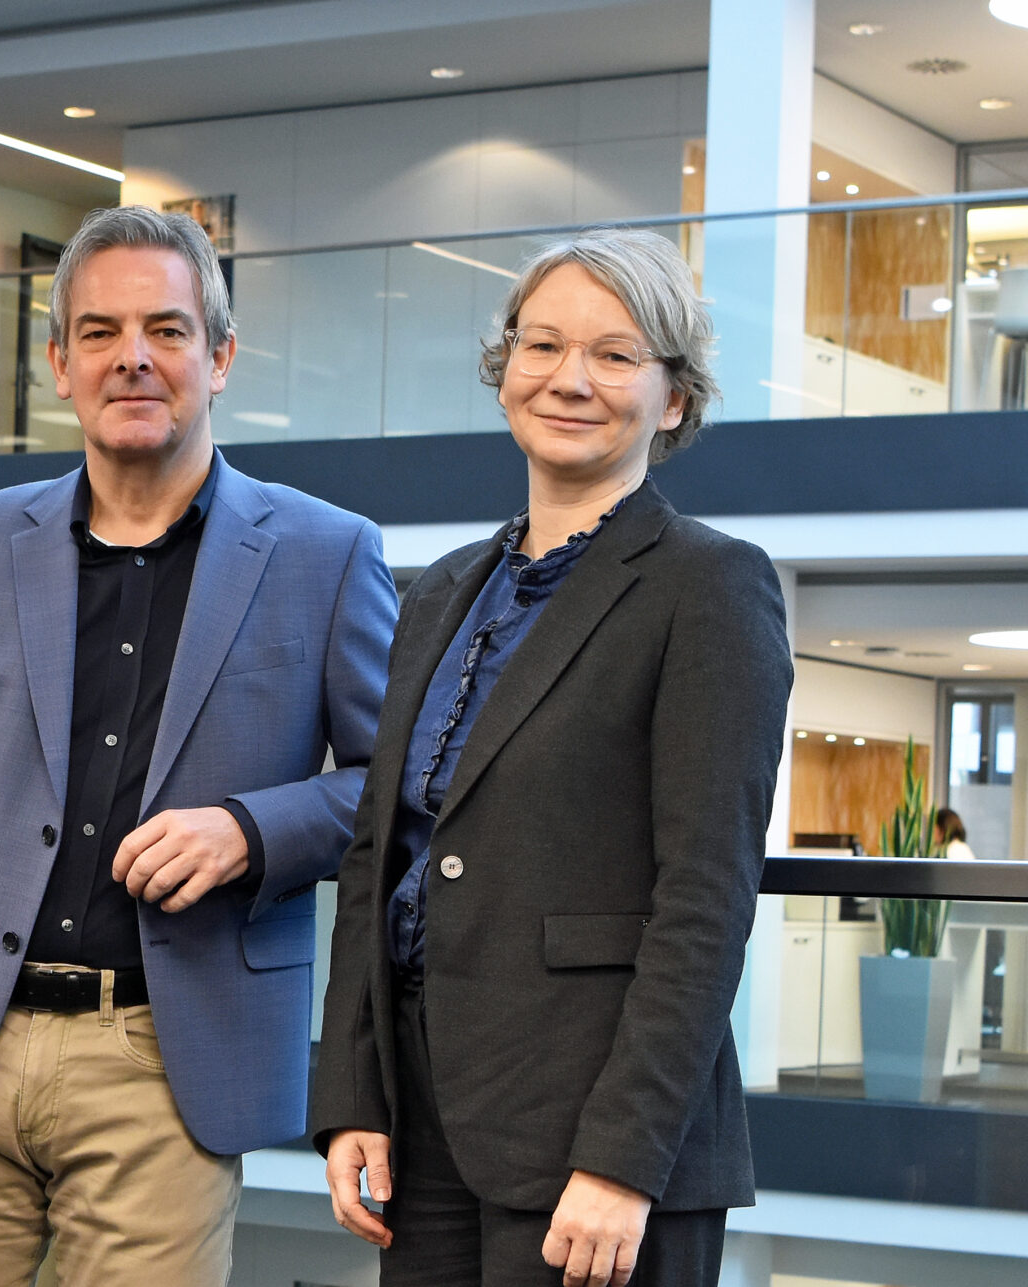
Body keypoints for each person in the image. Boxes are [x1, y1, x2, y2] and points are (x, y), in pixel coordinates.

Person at [0, 205, 397, 1287]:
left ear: (220, 357)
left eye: (167, 330)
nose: (132, 358)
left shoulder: (327, 553)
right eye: (98, 333)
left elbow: (398, 790)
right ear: (58, 362)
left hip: (167, 1062)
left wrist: (251, 829)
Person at [311, 228, 792, 1287]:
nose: (568, 379)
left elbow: (704, 899)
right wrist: (352, 1095)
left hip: (597, 1135)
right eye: (541, 347)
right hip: (423, 1119)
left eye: (615, 356)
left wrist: (622, 1161)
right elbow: (377, 856)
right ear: (505, 375)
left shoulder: (708, 587)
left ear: (672, 399)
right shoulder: (438, 590)